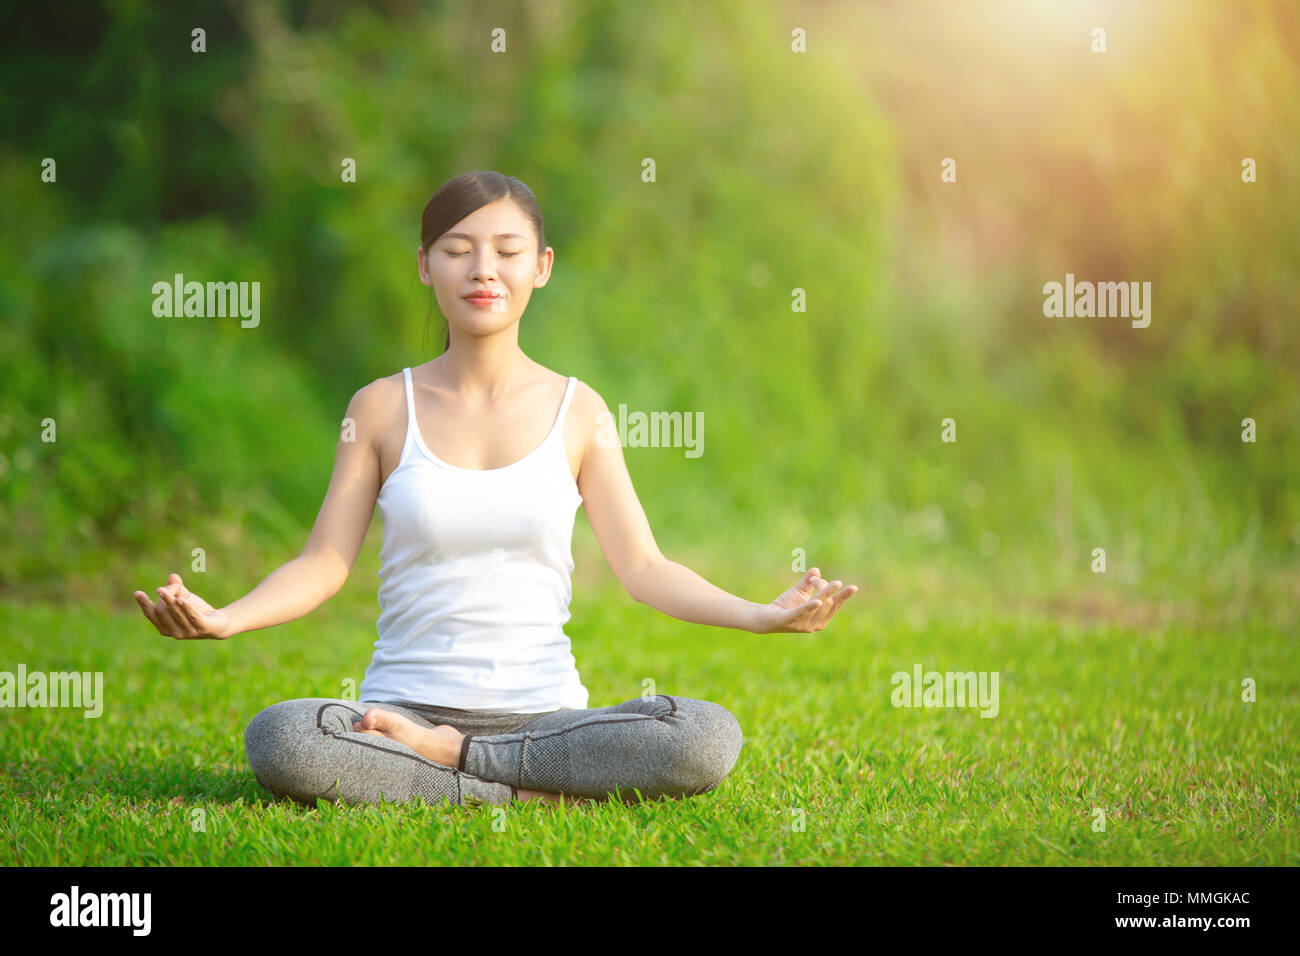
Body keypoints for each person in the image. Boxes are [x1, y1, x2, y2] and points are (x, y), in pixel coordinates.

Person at [133, 170, 857, 808]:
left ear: (540, 267)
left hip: (543, 719)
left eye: (508, 251)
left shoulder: (581, 411)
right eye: (457, 249)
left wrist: (758, 615)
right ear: (424, 265)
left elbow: (644, 568)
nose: (484, 269)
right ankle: (530, 791)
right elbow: (324, 563)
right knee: (284, 738)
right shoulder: (382, 407)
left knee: (705, 736)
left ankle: (457, 767)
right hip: (397, 716)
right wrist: (227, 617)